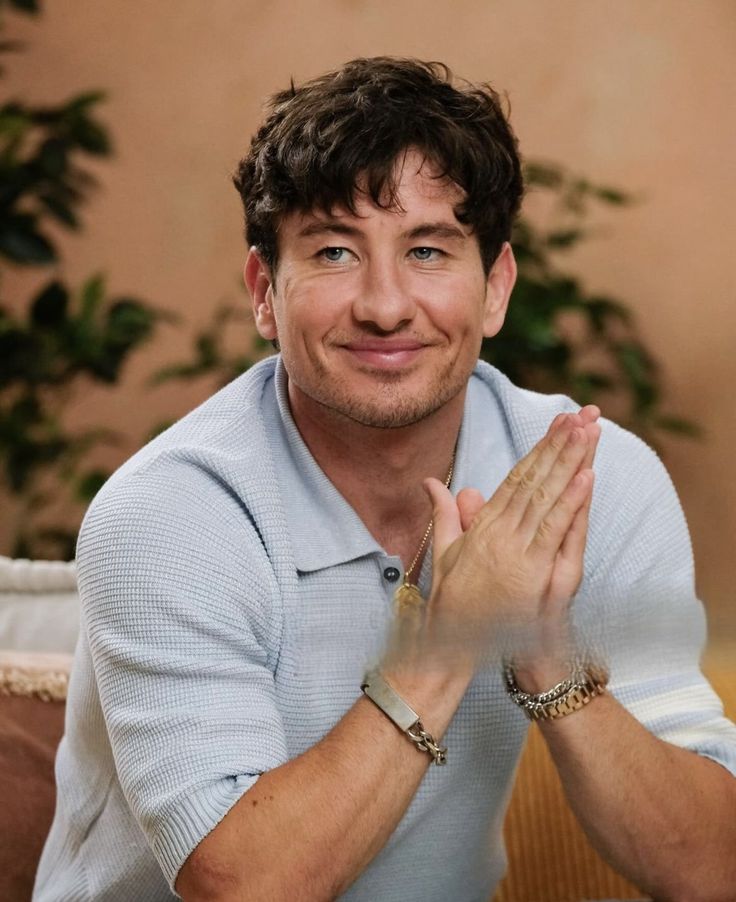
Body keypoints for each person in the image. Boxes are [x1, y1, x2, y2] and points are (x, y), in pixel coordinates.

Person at [34, 57, 736, 902]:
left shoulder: (590, 477)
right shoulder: (169, 514)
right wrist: (448, 642)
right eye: (334, 250)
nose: (386, 304)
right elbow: (244, 888)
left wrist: (547, 659)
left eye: (429, 250)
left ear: (495, 288)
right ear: (265, 292)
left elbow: (711, 868)